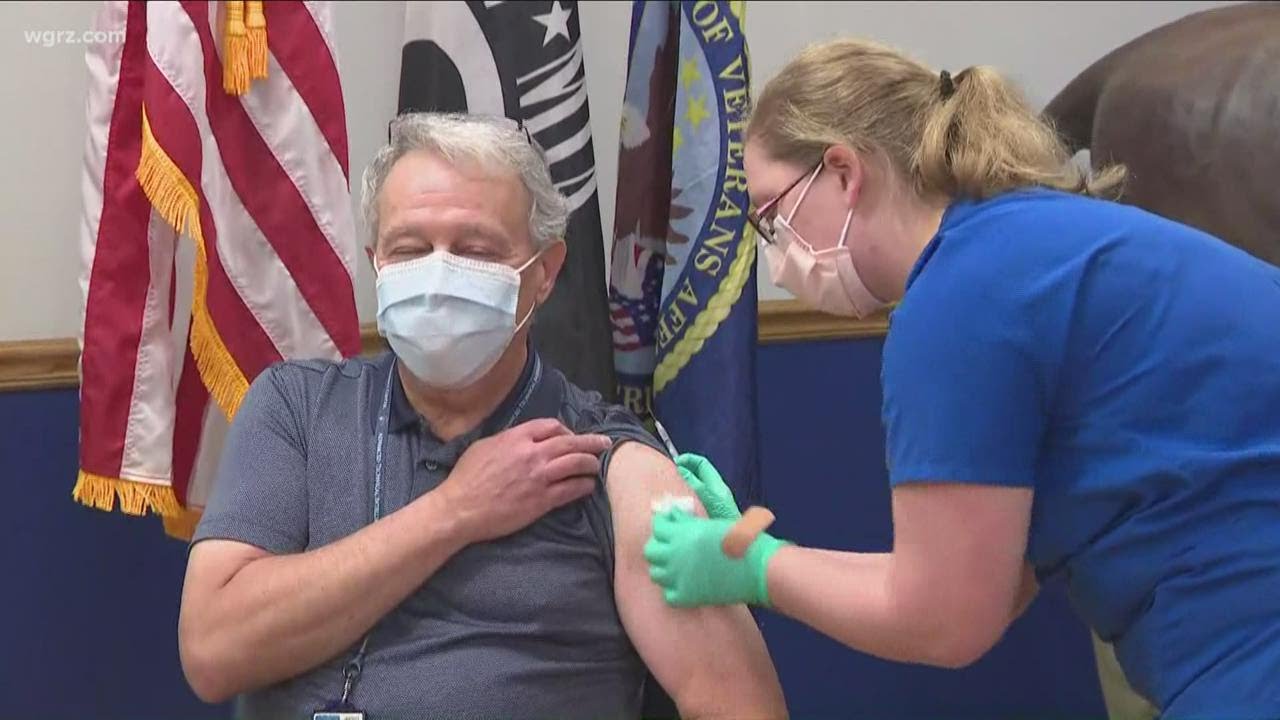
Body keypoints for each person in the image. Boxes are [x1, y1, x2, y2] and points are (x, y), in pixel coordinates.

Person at [643, 38, 1280, 719]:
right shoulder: (1036, 238)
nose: (776, 258)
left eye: (771, 218)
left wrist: (751, 568)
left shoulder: (962, 295)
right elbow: (989, 586)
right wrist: (753, 548)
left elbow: (945, 622)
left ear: (843, 172)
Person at [177, 112, 786, 720]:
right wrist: (455, 512)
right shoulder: (297, 409)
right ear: (376, 262)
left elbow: (741, 703)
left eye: (475, 250)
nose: (438, 275)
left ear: (544, 273)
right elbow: (214, 650)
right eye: (410, 249)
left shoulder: (608, 463)